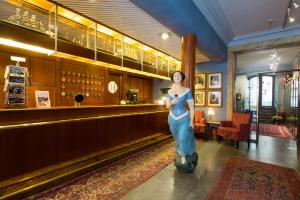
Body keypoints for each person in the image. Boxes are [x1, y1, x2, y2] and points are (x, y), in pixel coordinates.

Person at [166, 71, 198, 173]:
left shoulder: (187, 91)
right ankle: (179, 154)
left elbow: (192, 107)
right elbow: (167, 106)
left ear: (182, 78)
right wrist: (171, 103)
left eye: (179, 75)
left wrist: (191, 122)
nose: (177, 77)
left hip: (184, 117)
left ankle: (184, 155)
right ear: (173, 78)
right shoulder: (169, 91)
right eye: (175, 75)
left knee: (183, 137)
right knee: (177, 138)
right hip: (172, 118)